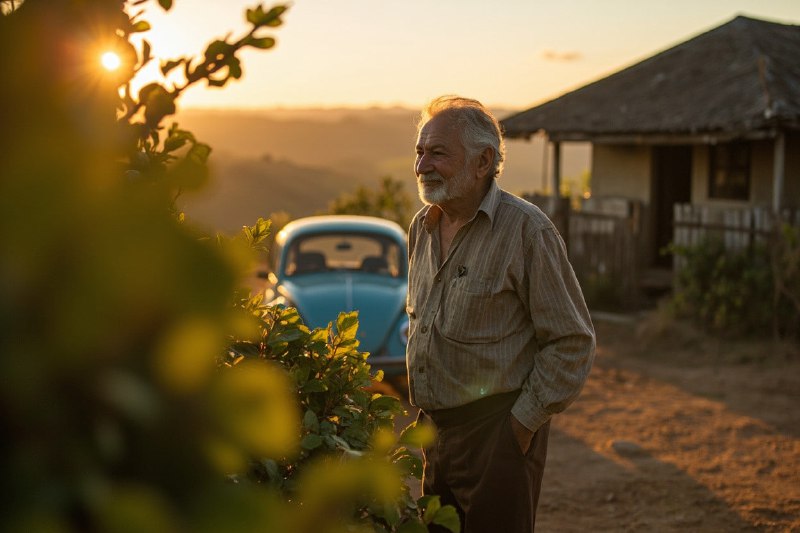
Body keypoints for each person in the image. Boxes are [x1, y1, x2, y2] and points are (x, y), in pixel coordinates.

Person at [406, 95, 595, 532]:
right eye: (419, 152)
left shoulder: (527, 231)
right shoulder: (423, 226)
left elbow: (572, 341)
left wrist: (519, 426)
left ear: (482, 162)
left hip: (498, 433)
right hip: (435, 433)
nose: (421, 166)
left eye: (437, 153)